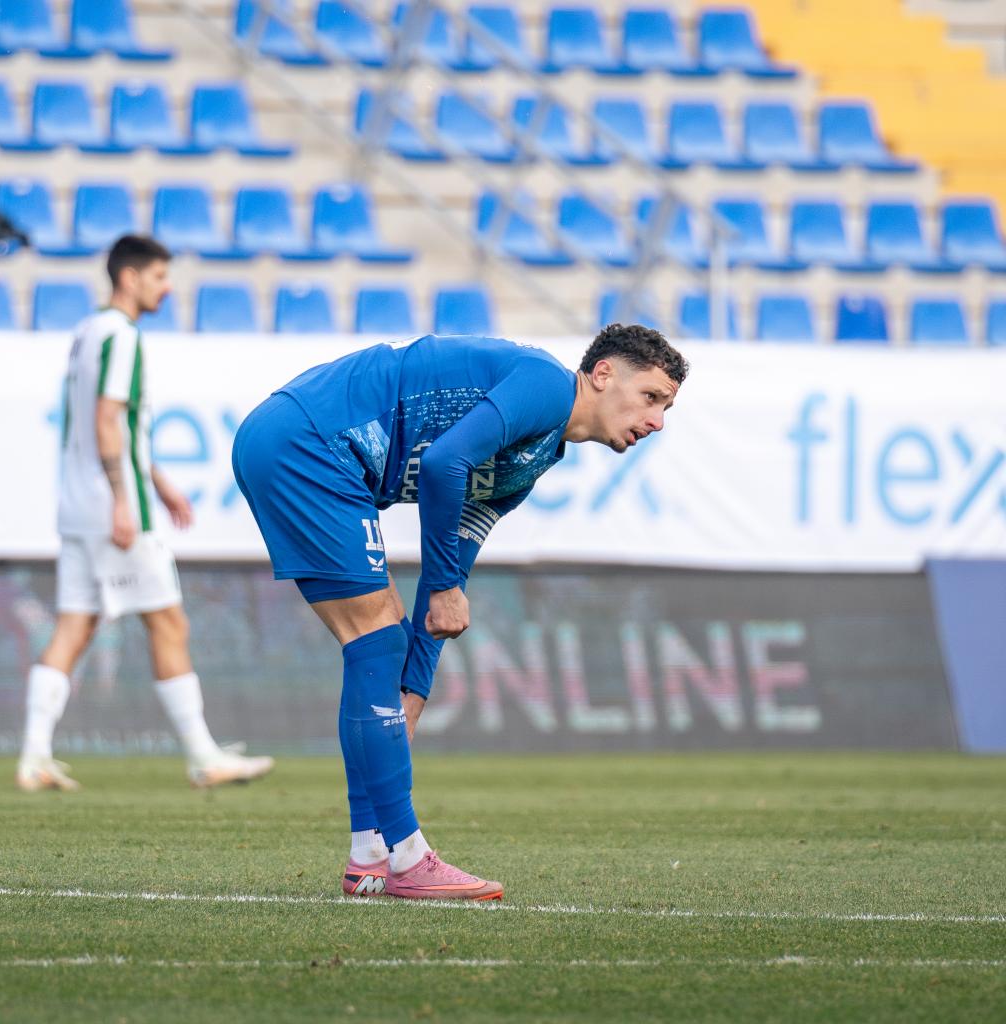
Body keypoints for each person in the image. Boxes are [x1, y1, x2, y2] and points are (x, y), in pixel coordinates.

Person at [232, 325, 687, 900]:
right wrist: (446, 587)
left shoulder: (536, 454)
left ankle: (369, 854)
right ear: (602, 375)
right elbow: (445, 462)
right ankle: (407, 857)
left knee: (379, 648)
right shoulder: (548, 385)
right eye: (651, 397)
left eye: (666, 407)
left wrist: (415, 690)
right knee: (375, 640)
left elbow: (453, 556)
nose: (657, 421)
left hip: (299, 443)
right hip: (309, 443)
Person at [17, 235, 275, 792]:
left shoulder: (88, 332)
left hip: (76, 504)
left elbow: (112, 425)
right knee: (168, 622)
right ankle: (203, 756)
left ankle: (33, 756)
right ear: (130, 277)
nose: (167, 288)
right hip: (113, 508)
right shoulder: (123, 336)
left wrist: (158, 483)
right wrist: (123, 498)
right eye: (159, 276)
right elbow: (108, 419)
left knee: (75, 626)